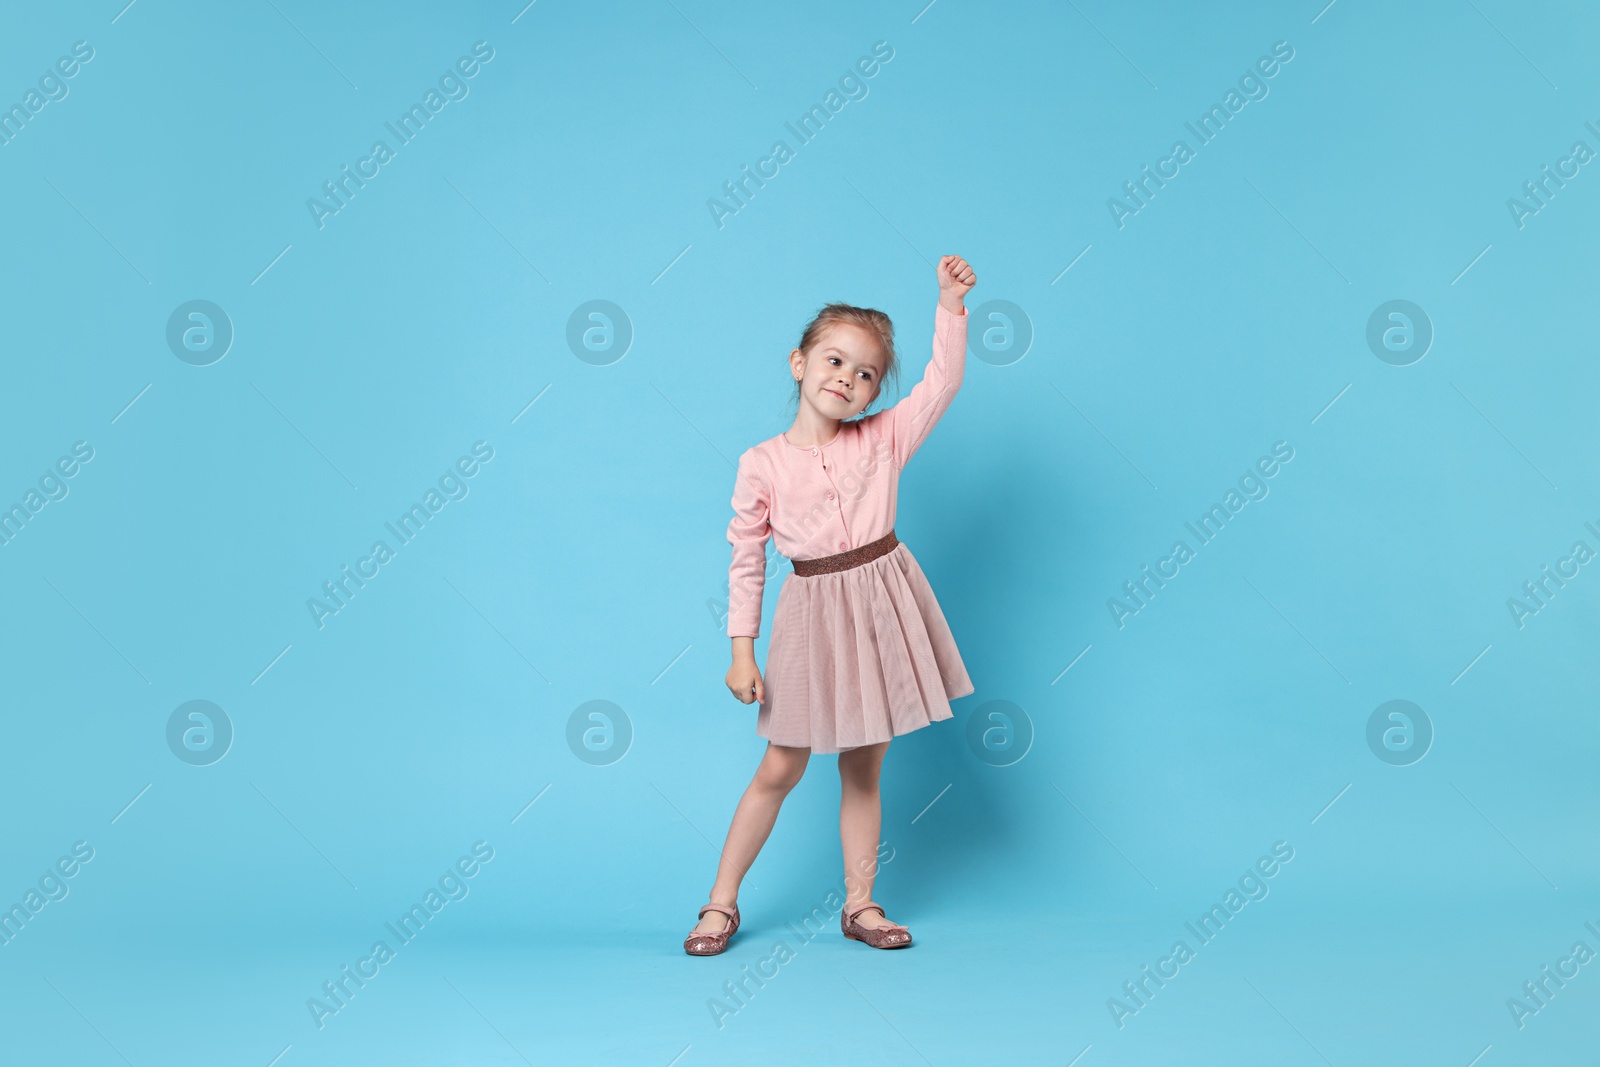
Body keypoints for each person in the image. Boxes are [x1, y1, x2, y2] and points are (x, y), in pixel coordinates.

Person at [684, 255, 978, 955]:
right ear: (799, 362)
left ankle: (860, 904)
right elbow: (747, 557)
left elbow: (943, 382)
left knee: (862, 765)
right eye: (835, 359)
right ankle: (720, 902)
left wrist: (949, 303)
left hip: (882, 603)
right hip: (811, 615)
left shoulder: (883, 439)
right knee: (781, 767)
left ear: (874, 394)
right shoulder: (761, 463)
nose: (847, 376)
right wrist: (739, 650)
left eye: (866, 372)